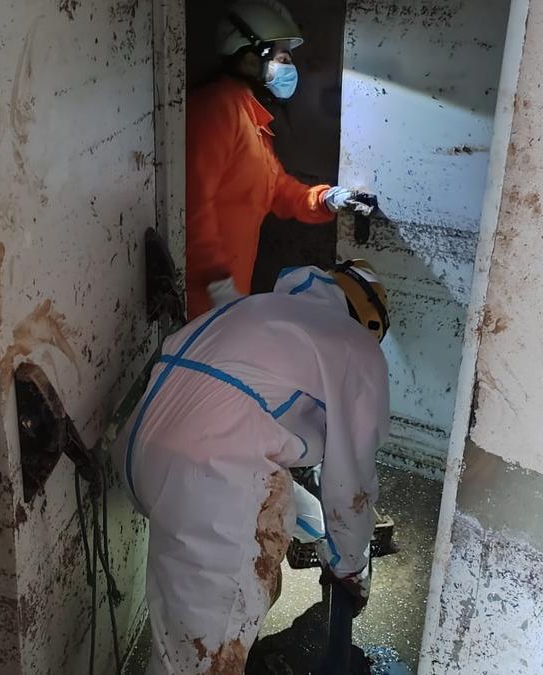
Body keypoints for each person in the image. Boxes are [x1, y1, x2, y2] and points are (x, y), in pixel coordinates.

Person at [116, 260, 391, 674]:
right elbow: (350, 482)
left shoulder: (252, 308)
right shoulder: (357, 348)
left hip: (139, 456)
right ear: (371, 324)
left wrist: (324, 536)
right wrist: (350, 566)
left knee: (271, 515)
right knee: (197, 661)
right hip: (210, 484)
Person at [186, 0, 373, 319]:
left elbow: (278, 190)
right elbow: (193, 203)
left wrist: (326, 199)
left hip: (228, 291)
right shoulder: (217, 109)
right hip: (201, 294)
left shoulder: (251, 117)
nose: (290, 69)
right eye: (283, 58)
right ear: (249, 58)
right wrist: (217, 281)